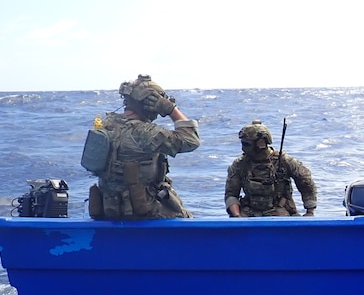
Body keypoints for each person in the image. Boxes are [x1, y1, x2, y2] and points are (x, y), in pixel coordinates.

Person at [86, 74, 200, 220]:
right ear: (150, 104)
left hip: (109, 209)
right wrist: (171, 109)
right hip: (143, 210)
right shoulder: (145, 132)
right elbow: (191, 140)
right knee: (186, 218)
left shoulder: (106, 125)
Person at [225, 120, 317, 217]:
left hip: (279, 210)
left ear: (260, 144)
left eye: (247, 144)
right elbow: (231, 194)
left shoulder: (285, 162)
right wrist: (237, 215)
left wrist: (309, 212)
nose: (243, 148)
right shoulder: (240, 164)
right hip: (250, 211)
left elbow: (306, 184)